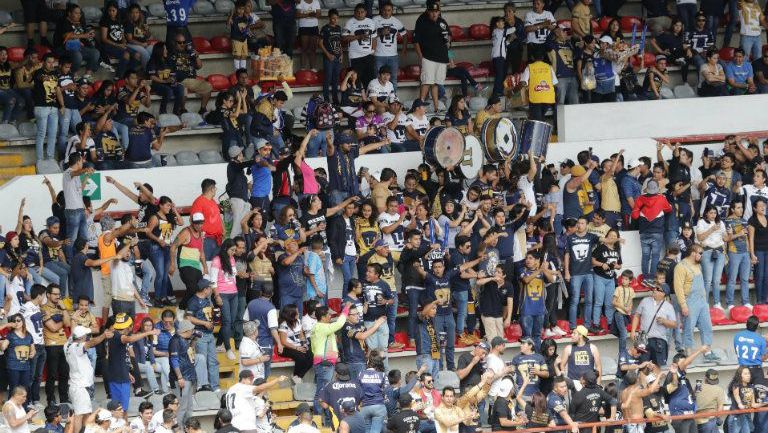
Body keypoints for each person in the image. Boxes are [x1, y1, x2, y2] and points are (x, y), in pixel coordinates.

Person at [674, 244, 720, 362]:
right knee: (688, 327)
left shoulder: (698, 265)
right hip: (690, 301)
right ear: (693, 252)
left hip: (701, 301)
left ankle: (707, 351)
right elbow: (678, 288)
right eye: (700, 253)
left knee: (707, 326)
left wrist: (705, 300)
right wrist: (683, 305)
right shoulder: (680, 266)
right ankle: (688, 352)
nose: (701, 255)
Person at [65, 325, 112, 433]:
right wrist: (104, 335)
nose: (88, 337)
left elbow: (74, 335)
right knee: (79, 414)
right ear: (81, 337)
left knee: (86, 413)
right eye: (87, 335)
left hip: (79, 385)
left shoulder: (67, 344)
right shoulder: (76, 347)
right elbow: (91, 343)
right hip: (80, 387)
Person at [310, 304, 352, 416]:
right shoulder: (322, 327)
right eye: (328, 315)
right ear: (323, 317)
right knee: (323, 392)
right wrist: (346, 309)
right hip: (325, 364)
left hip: (323, 363)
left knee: (322, 391)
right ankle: (320, 417)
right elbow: (339, 324)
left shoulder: (318, 327)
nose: (330, 316)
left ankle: (321, 417)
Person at [185, 278, 221, 392]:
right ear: (205, 289)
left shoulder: (208, 300)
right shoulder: (193, 301)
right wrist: (204, 323)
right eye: (210, 288)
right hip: (200, 335)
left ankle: (215, 386)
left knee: (213, 361)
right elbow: (189, 318)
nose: (211, 289)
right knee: (202, 361)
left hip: (209, 334)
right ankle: (203, 385)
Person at [414, 1, 450, 113]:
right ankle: (419, 106)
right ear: (428, 11)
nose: (434, 14)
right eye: (432, 11)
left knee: (436, 84)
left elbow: (448, 43)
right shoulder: (422, 21)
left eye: (436, 11)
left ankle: (436, 108)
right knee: (426, 82)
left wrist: (451, 57)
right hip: (428, 57)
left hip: (442, 58)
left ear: (439, 12)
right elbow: (416, 41)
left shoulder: (443, 22)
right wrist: (421, 57)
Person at [564, 216, 598, 330]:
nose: (579, 225)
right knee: (574, 300)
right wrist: (567, 272)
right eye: (578, 223)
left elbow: (604, 240)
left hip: (589, 273)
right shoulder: (570, 238)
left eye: (582, 223)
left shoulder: (591, 237)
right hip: (575, 274)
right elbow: (567, 255)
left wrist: (617, 239)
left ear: (587, 225)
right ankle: (573, 326)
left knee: (589, 300)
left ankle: (587, 325)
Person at [631, 283, 676, 366]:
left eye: (658, 289)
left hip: (659, 340)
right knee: (642, 366)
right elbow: (637, 316)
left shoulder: (668, 306)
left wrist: (664, 321)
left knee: (659, 367)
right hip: (643, 339)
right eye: (655, 288)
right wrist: (633, 331)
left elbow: (674, 324)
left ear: (663, 294)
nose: (655, 290)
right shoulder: (645, 301)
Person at [168, 33, 212, 116]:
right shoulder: (171, 54)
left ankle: (202, 109)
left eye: (184, 42)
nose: (182, 44)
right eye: (179, 42)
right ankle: (182, 109)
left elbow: (199, 66)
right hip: (179, 80)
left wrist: (197, 56)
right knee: (182, 88)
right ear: (174, 43)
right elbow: (169, 71)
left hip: (192, 80)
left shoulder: (190, 52)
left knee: (208, 86)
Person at [519, 252, 555, 349]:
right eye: (526, 258)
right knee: (527, 336)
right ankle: (527, 358)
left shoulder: (542, 272)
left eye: (530, 258)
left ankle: (537, 357)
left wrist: (544, 270)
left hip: (540, 310)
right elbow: (526, 280)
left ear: (537, 261)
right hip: (526, 310)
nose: (528, 260)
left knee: (537, 336)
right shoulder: (522, 270)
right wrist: (540, 270)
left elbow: (552, 280)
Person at [373, 2, 407, 91]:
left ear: (392, 11)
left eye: (389, 10)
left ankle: (393, 100)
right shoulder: (374, 20)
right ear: (381, 10)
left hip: (393, 56)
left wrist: (403, 49)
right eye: (384, 10)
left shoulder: (396, 21)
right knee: (378, 78)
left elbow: (405, 35)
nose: (386, 12)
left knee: (393, 79)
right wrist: (381, 33)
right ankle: (378, 99)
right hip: (378, 55)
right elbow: (368, 36)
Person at [190, 179, 224, 262]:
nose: (216, 189)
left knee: (215, 265)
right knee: (206, 264)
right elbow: (192, 220)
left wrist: (223, 230)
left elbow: (218, 217)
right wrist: (199, 237)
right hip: (206, 240)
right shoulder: (199, 202)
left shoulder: (213, 201)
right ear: (212, 189)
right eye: (215, 188)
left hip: (217, 239)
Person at [520, 50, 557, 121]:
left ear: (532, 58)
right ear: (543, 57)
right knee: (540, 117)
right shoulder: (549, 67)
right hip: (548, 98)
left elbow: (523, 82)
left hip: (535, 98)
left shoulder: (530, 67)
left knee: (536, 120)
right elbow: (555, 83)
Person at [695, 369, 726, 433]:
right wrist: (718, 418)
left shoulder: (698, 387)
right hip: (710, 420)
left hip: (696, 421)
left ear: (705, 378)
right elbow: (720, 409)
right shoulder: (719, 389)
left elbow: (694, 401)